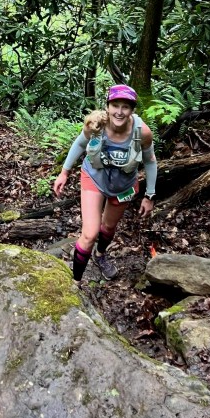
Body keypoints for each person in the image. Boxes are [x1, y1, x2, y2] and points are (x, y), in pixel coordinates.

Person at [53, 84, 157, 281]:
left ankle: (100, 255)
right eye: (115, 105)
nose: (119, 112)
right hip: (94, 177)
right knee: (89, 234)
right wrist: (64, 172)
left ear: (132, 110)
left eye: (125, 107)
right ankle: (76, 282)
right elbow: (80, 143)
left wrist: (149, 195)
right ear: (107, 106)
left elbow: (150, 161)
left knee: (108, 227)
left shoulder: (142, 132)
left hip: (124, 185)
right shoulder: (96, 125)